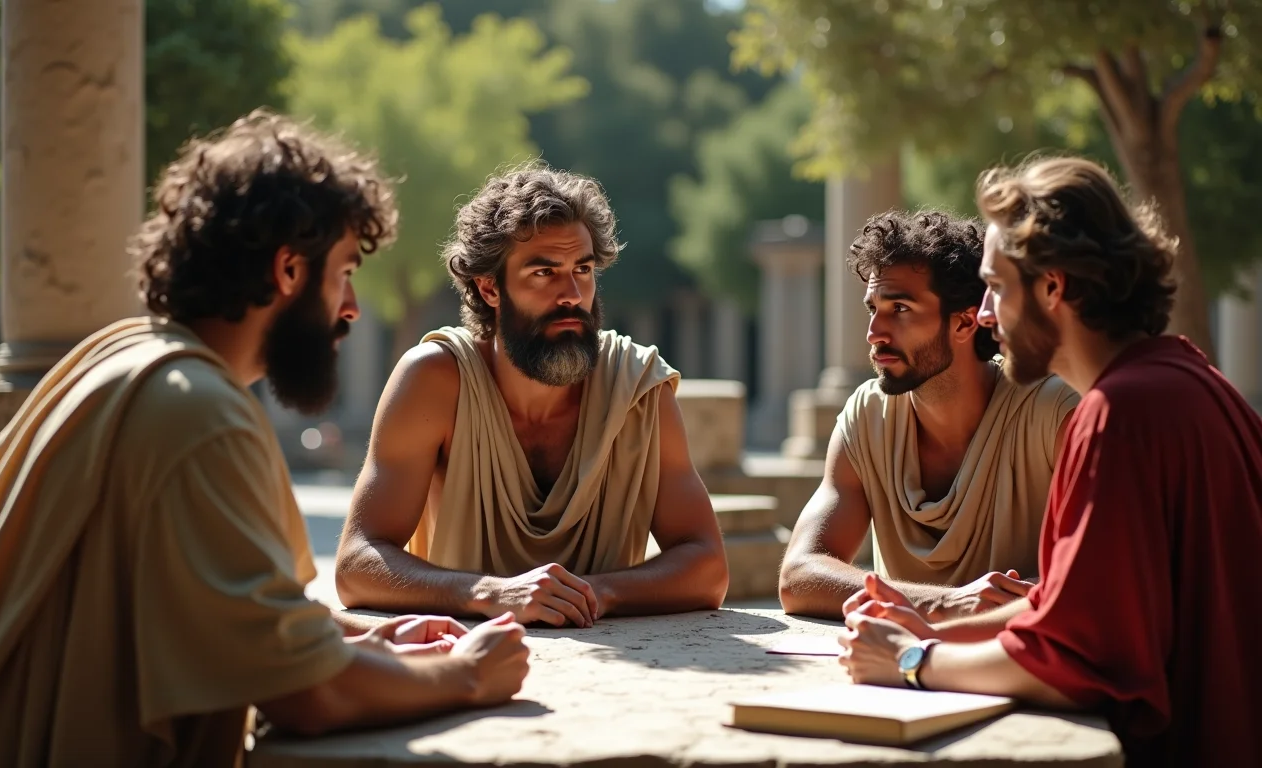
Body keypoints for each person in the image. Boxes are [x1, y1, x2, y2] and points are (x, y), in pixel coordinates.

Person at [0, 111, 531, 767]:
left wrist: (365, 636)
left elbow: (220, 606)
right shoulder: (198, 414)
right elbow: (304, 693)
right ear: (289, 270)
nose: (352, 306)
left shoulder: (119, 358)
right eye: (345, 272)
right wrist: (468, 675)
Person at [837, 156, 1262, 767]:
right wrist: (931, 629)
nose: (982, 315)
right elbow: (1067, 608)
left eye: (997, 288)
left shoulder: (1119, 417)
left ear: (1053, 287)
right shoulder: (1190, 383)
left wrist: (912, 662)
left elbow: (1078, 659)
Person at [335, 163, 729, 627]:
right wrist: (490, 593)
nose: (571, 294)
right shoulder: (435, 380)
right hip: (469, 662)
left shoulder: (639, 388)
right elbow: (357, 566)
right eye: (544, 272)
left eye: (583, 269)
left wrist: (593, 594)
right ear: (489, 287)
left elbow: (708, 569)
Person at [779, 211, 1078, 622]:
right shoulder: (867, 417)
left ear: (965, 321)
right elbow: (799, 575)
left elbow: (1101, 580)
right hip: (893, 672)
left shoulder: (1054, 412)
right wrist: (940, 603)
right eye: (873, 308)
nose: (874, 332)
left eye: (900, 308)